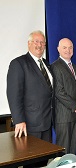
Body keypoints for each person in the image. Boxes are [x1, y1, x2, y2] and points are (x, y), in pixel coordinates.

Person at [6, 30, 53, 167]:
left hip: (47, 122)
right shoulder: (18, 63)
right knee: (31, 162)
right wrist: (19, 120)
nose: (39, 45)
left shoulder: (47, 64)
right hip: (30, 124)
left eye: (42, 42)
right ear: (29, 44)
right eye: (36, 42)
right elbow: (13, 94)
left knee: (43, 159)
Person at [51, 38, 76, 154]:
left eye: (70, 47)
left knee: (72, 149)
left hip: (75, 114)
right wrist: (75, 106)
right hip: (63, 116)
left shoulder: (75, 67)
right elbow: (59, 91)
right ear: (58, 49)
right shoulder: (55, 67)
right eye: (64, 47)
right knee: (63, 149)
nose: (68, 50)